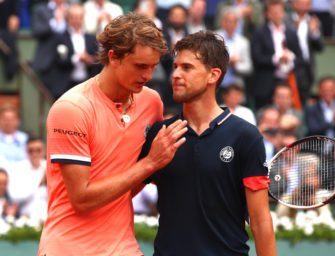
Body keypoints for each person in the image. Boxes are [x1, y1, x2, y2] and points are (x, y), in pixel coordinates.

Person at [38, 12, 188, 256]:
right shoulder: (71, 109)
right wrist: (149, 163)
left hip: (123, 247)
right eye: (140, 66)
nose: (148, 76)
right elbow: (82, 199)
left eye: (152, 67)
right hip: (67, 248)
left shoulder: (151, 102)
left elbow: (128, 186)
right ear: (113, 57)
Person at [139, 30, 276, 256]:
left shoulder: (245, 136)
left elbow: (260, 220)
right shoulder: (159, 133)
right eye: (175, 67)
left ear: (213, 75)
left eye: (187, 67)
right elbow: (125, 194)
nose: (175, 74)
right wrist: (150, 162)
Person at [251, 0, 303, 110]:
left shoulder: (291, 33)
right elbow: (257, 58)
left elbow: (300, 58)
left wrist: (289, 60)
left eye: (279, 12)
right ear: (267, 14)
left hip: (288, 81)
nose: (277, 15)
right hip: (265, 84)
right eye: (273, 12)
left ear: (284, 13)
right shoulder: (259, 32)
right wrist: (277, 59)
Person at [48, 4, 102, 99]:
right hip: (66, 84)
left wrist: (89, 60)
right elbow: (57, 60)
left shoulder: (91, 38)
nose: (76, 20)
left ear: (83, 18)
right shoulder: (60, 38)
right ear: (68, 19)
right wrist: (77, 58)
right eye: (73, 17)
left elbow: (98, 61)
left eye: (79, 17)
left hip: (87, 83)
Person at [285, 0, 324, 105]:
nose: (305, 6)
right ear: (293, 4)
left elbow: (320, 47)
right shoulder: (285, 20)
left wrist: (314, 32)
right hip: (289, 65)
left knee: (305, 98)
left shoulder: (314, 21)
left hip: (307, 67)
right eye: (301, 3)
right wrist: (295, 29)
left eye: (307, 3)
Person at [7, 135, 48, 224]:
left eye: (38, 150)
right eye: (31, 151)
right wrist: (39, 183)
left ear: (44, 151)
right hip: (24, 219)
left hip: (48, 218)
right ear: (26, 152)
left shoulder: (50, 167)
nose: (35, 154)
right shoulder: (17, 168)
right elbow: (14, 196)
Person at [215, 8, 253, 88]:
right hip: (217, 83)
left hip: (236, 86)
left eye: (233, 22)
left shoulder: (243, 42)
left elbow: (248, 67)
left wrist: (235, 65)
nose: (230, 24)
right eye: (228, 21)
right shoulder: (215, 38)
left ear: (237, 24)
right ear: (223, 22)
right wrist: (228, 61)